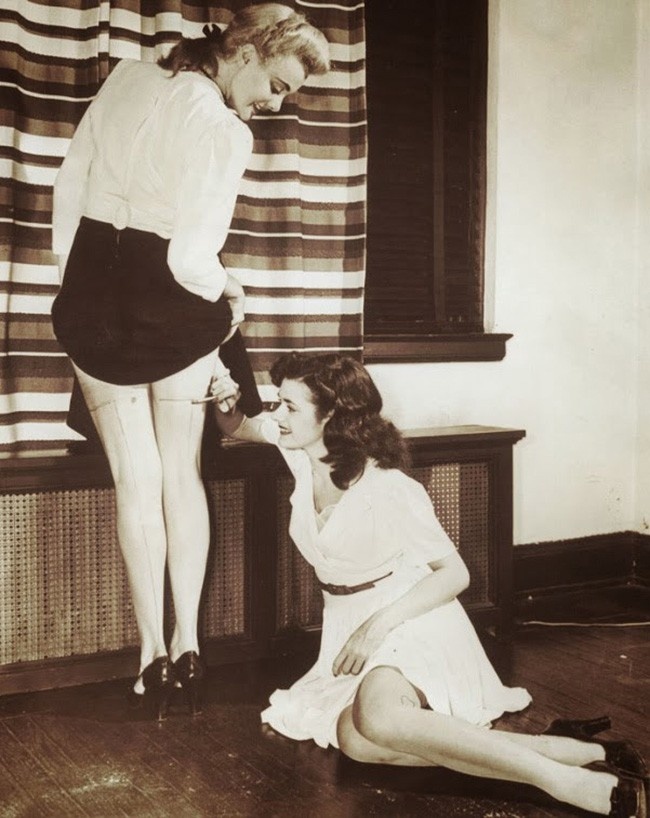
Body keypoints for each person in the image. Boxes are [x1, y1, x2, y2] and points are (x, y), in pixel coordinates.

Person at [211, 352, 648, 817]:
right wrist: (225, 403)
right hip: (350, 626)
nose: (277, 414)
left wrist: (376, 627)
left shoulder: (387, 486)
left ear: (332, 416)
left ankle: (575, 785)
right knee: (356, 740)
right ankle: (577, 750)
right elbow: (239, 426)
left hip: (410, 618)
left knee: (378, 719)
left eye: (289, 406)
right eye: (278, 403)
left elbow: (455, 574)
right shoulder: (299, 450)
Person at [50, 5, 330, 720]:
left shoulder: (126, 78)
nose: (276, 103)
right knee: (181, 473)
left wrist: (80, 281)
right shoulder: (223, 128)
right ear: (245, 54)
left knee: (136, 480)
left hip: (90, 292)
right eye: (277, 85)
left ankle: (149, 654)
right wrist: (232, 291)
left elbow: (68, 192)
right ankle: (188, 645)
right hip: (167, 299)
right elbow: (188, 259)